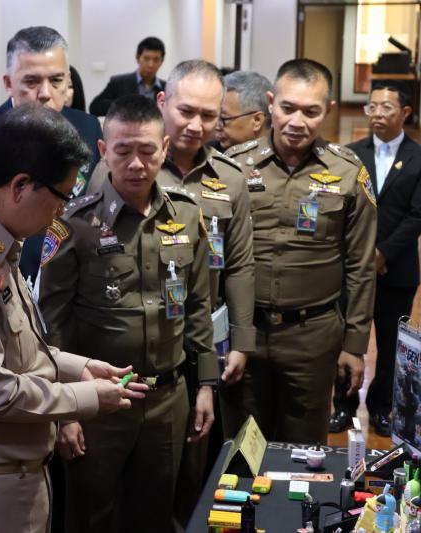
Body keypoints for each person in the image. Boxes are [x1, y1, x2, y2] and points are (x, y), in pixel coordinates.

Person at [0, 104, 147, 533]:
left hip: (8, 481)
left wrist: (80, 367)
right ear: (20, 185)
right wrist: (88, 397)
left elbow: (20, 345)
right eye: (61, 197)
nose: (61, 212)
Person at [39, 95, 216, 533]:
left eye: (147, 150)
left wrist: (206, 385)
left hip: (168, 399)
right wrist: (65, 410)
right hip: (98, 402)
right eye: (122, 151)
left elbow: (199, 307)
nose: (136, 164)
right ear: (103, 151)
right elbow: (53, 323)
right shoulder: (73, 223)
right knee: (91, 517)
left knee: (156, 516)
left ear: (165, 148)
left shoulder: (187, 214)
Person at [225, 58, 377, 444]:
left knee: (305, 452)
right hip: (244, 333)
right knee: (242, 449)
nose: (297, 122)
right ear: (270, 104)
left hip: (312, 337)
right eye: (288, 108)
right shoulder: (234, 167)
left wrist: (355, 345)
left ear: (328, 110)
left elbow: (361, 266)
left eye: (311, 112)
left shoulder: (348, 172)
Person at [155, 59, 255, 524]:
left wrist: (242, 341)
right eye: (186, 111)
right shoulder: (131, 166)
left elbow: (240, 265)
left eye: (209, 115)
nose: (196, 125)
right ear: (163, 103)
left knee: (199, 456)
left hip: (205, 338)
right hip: (147, 335)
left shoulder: (230, 178)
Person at [0, 26, 103, 280]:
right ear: (8, 83)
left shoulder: (88, 128)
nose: (45, 94)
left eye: (56, 80)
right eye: (31, 82)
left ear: (68, 80)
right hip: (5, 276)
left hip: (74, 275)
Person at [330, 83, 421, 436]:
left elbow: (416, 216)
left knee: (390, 343)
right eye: (372, 107)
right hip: (353, 268)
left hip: (397, 270)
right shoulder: (350, 155)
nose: (377, 114)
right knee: (347, 338)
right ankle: (343, 404)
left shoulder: (417, 157)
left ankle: (382, 407)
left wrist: (382, 253)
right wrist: (364, 256)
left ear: (405, 113)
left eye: (386, 107)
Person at [89, 36, 166, 117]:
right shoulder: (118, 83)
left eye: (156, 60)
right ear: (137, 58)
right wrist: (121, 107)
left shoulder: (167, 88)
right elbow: (95, 107)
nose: (151, 65)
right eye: (146, 59)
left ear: (162, 61)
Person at [215, 70, 272, 151]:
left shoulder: (283, 155)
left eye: (223, 118)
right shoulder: (207, 153)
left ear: (257, 120)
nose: (216, 127)